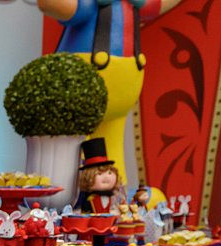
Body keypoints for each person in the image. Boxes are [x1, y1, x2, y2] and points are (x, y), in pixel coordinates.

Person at [39, 0, 183, 177]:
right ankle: (74, 187)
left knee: (113, 144)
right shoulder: (88, 5)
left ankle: (116, 188)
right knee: (74, 145)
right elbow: (58, 6)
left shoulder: (134, 4)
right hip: (85, 78)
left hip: (124, 82)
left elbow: (154, 6)